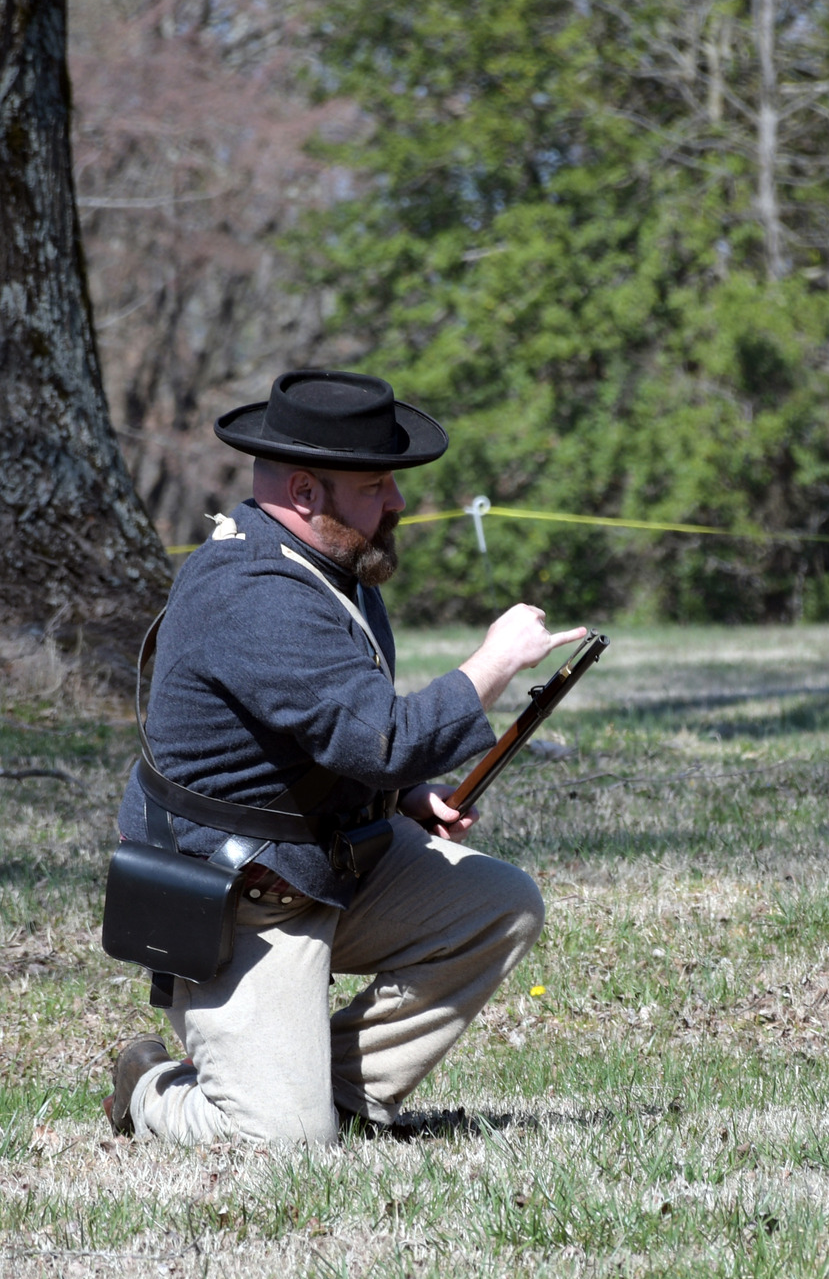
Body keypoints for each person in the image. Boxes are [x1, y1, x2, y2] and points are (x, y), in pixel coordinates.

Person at [103, 369, 585, 1145]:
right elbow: (380, 739)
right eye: (374, 485)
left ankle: (344, 1096)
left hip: (327, 861)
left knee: (498, 904)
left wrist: (404, 797)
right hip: (239, 895)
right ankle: (152, 1086)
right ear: (304, 491)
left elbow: (332, 731)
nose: (396, 502)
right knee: (279, 1145)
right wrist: (493, 664)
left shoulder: (332, 564)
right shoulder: (257, 592)